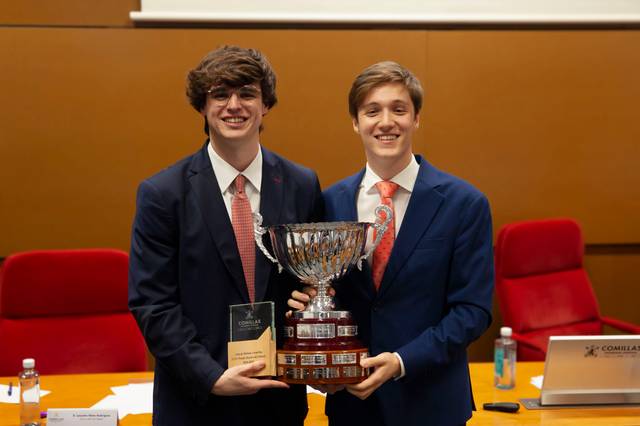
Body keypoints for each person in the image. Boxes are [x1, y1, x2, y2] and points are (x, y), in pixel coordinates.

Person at [289, 61, 494, 426]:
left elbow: (471, 311)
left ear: (416, 119)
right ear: (355, 122)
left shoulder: (465, 203)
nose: (386, 122)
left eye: (399, 109)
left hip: (432, 405)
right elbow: (326, 295)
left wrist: (401, 361)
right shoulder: (330, 202)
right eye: (372, 111)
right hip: (352, 406)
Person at [128, 46, 323, 426]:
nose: (234, 105)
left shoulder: (302, 184)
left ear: (266, 104)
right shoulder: (162, 195)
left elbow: (312, 281)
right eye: (220, 94)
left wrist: (312, 297)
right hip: (195, 400)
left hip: (277, 402)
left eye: (247, 93)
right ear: (202, 106)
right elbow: (153, 304)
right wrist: (210, 376)